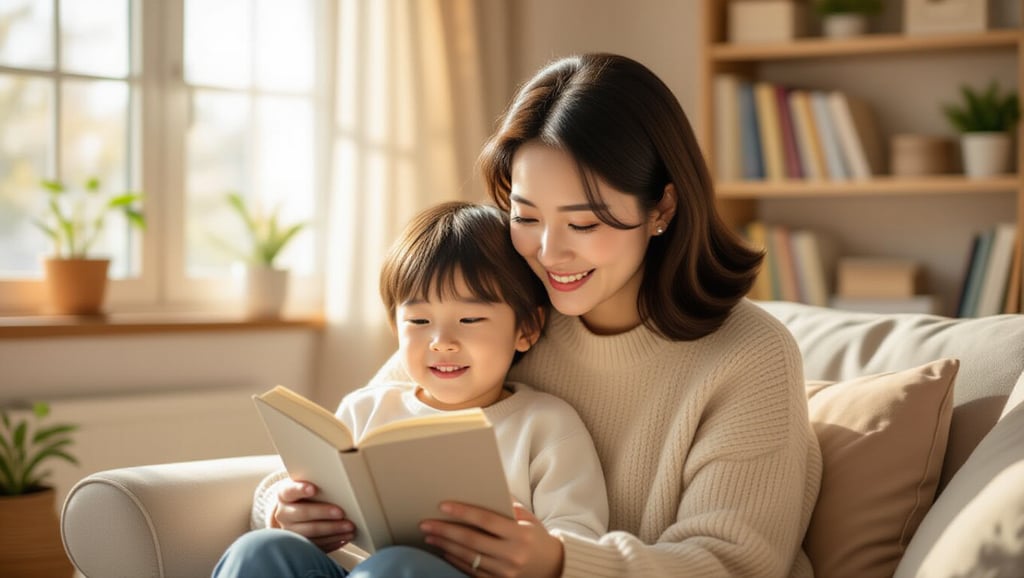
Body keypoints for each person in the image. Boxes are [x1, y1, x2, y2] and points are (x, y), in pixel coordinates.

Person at [237, 51, 823, 578]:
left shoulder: (748, 355)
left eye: (585, 222)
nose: (548, 253)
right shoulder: (503, 307)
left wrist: (563, 562)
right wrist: (287, 504)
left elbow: (736, 564)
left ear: (661, 207)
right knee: (262, 554)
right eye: (525, 215)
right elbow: (363, 448)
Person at [213, 201, 608, 578]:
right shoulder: (364, 409)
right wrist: (288, 512)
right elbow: (293, 487)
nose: (441, 341)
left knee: (397, 568)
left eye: (470, 318)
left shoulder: (544, 425)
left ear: (527, 328)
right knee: (259, 549)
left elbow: (578, 544)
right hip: (352, 569)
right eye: (418, 321)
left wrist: (531, 548)